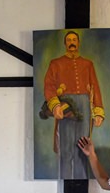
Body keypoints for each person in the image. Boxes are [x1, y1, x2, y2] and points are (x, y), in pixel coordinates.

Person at [44, 31, 105, 179]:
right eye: (69, 40)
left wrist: (98, 111)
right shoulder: (55, 63)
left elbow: (95, 87)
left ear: (78, 43)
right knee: (66, 149)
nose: (72, 42)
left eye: (74, 40)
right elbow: (49, 86)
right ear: (65, 44)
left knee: (82, 148)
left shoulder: (88, 64)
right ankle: (65, 180)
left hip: (84, 105)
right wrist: (55, 105)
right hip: (66, 106)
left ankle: (81, 180)